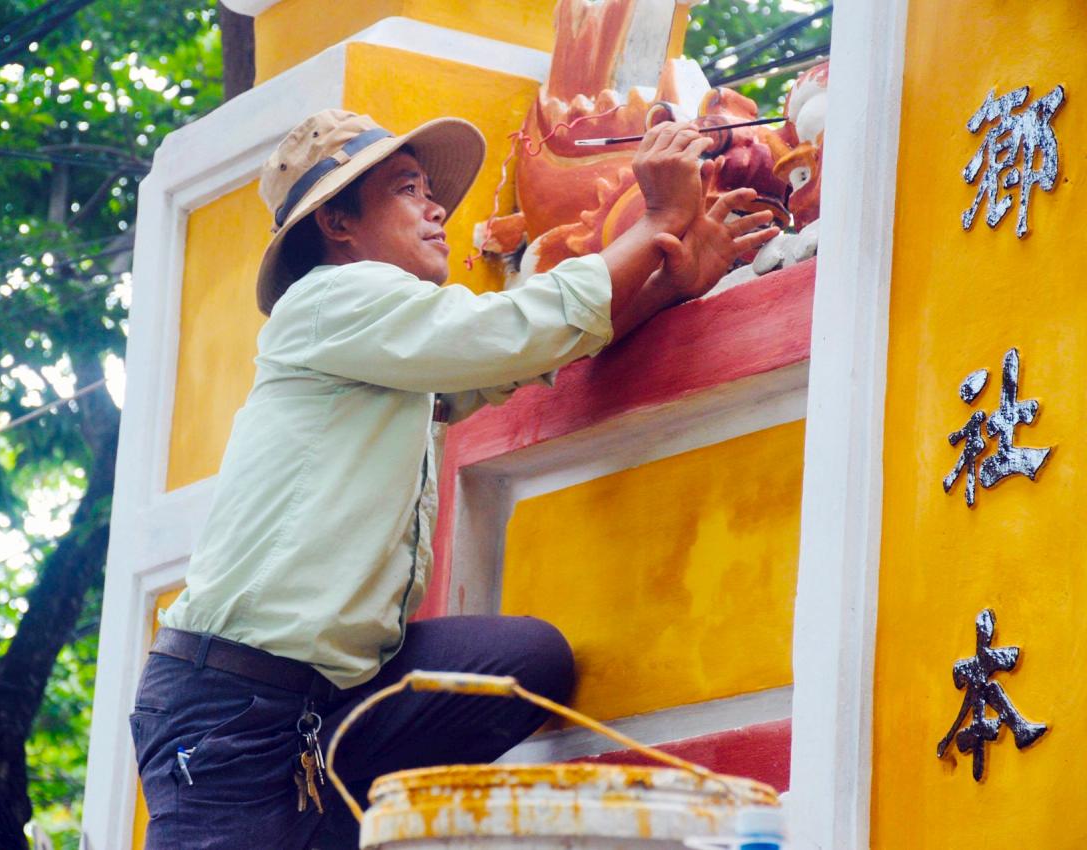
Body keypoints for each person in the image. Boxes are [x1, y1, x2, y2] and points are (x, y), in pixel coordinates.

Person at [129, 108, 778, 850]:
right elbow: (514, 333)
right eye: (408, 190)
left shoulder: (395, 353)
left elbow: (526, 360)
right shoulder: (328, 299)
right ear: (338, 226)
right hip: (230, 712)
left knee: (523, 664)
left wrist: (665, 280)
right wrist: (656, 218)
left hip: (328, 701)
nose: (438, 206)